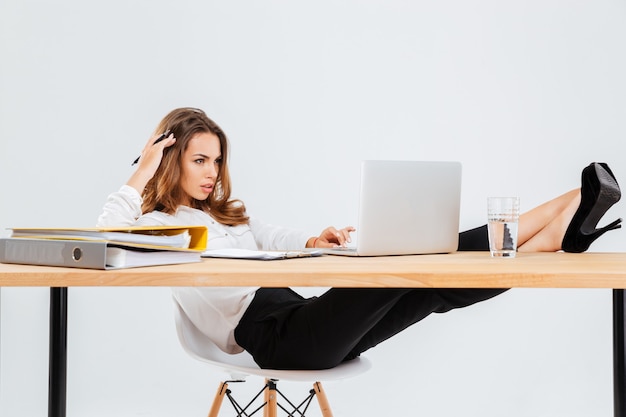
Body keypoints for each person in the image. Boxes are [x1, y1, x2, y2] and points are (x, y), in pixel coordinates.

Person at [97, 107, 622, 370]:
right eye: (198, 160)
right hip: (280, 341)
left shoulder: (225, 218)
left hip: (301, 317)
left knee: (430, 288)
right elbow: (105, 235)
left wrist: (311, 239)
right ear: (169, 160)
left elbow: (270, 234)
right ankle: (559, 214)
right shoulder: (155, 227)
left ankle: (552, 237)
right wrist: (141, 171)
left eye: (216, 160)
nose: (212, 171)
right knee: (415, 258)